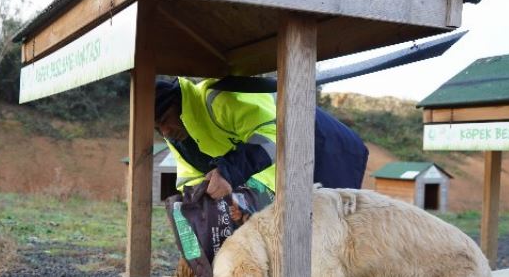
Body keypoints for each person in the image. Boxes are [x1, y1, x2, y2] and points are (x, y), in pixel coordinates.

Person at [154, 76, 369, 209]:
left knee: (328, 226)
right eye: (157, 127)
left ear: (178, 104)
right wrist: (193, 207)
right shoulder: (177, 135)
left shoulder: (218, 98)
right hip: (283, 170)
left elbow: (276, 135)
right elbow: (190, 177)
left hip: (323, 146)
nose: (165, 131)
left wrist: (228, 172)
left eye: (165, 120)